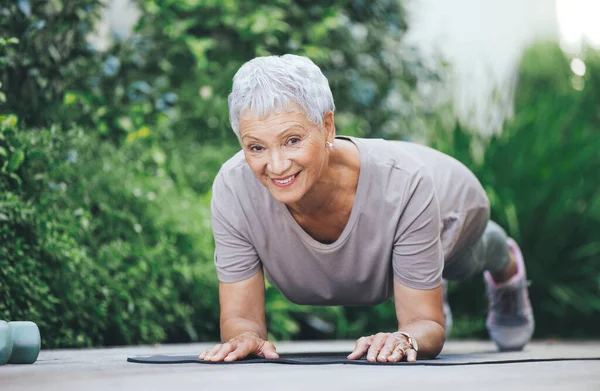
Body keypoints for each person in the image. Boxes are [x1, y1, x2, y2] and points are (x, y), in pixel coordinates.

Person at [198, 54, 534, 363]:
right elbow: (241, 320)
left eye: (293, 140)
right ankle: (421, 277)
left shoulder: (406, 185)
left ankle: (504, 262)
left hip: (450, 205)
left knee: (456, 265)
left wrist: (409, 333)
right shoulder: (234, 188)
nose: (277, 164)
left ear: (327, 127)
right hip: (395, 220)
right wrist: (244, 338)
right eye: (256, 147)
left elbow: (425, 325)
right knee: (418, 278)